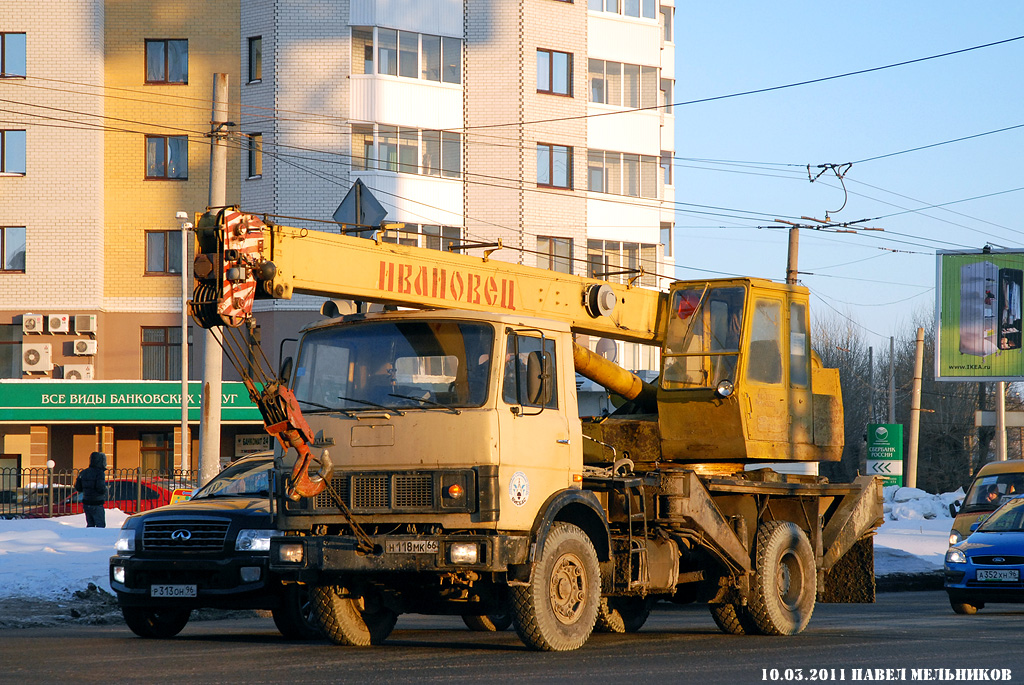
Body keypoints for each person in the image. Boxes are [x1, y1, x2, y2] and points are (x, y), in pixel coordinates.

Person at [74, 451, 107, 528]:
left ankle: (90, 538)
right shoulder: (99, 473)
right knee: (100, 525)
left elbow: (78, 487)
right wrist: (105, 489)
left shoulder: (84, 472)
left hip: (86, 502)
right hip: (97, 502)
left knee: (90, 525)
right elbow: (100, 488)